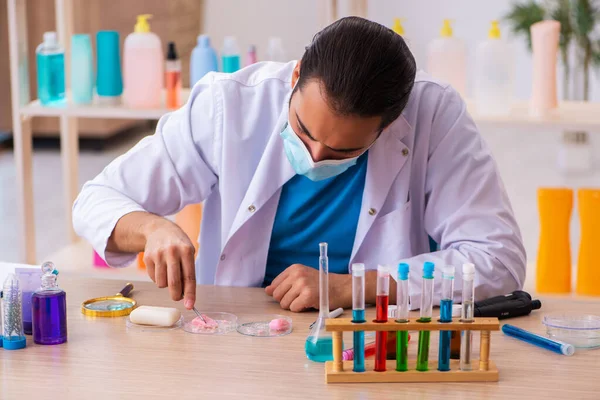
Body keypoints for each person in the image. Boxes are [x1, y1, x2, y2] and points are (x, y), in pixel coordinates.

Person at [73, 17, 526, 312]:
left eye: (343, 152)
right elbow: (96, 200)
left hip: (370, 337)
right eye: (304, 131)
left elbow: (497, 260)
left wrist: (355, 287)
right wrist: (153, 228)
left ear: (389, 126)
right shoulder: (230, 104)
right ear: (295, 76)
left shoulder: (434, 115)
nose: (314, 157)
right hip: (240, 330)